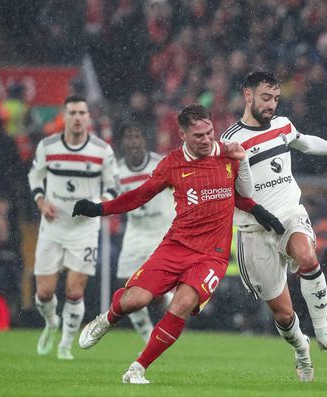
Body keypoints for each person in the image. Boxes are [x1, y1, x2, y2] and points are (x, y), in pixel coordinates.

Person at [72, 104, 280, 384]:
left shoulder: (228, 155)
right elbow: (139, 196)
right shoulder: (172, 164)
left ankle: (137, 367)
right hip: (176, 246)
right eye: (198, 136)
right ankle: (109, 318)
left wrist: (259, 211)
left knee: (181, 304)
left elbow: (237, 195)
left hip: (212, 256)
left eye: (209, 133)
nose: (206, 140)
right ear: (182, 135)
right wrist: (99, 209)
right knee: (137, 300)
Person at [221, 71, 327, 382]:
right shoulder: (231, 141)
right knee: (284, 315)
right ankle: (302, 351)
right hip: (254, 229)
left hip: (289, 213)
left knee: (308, 256)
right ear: (248, 96)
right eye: (265, 98)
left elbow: (305, 144)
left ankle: (324, 332)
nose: (271, 105)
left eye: (275, 99)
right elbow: (230, 193)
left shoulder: (283, 125)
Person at [28, 96, 119, 360]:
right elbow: (35, 175)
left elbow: (112, 186)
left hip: (84, 229)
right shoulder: (47, 146)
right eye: (73, 113)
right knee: (43, 293)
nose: (78, 117)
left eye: (82, 112)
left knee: (75, 291)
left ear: (88, 118)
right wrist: (41, 201)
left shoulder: (102, 150)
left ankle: (66, 344)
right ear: (65, 117)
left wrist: (99, 204)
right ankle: (50, 323)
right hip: (53, 226)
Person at [115, 122, 175, 342]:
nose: (133, 142)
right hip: (135, 231)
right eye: (129, 137)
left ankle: (168, 304)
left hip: (162, 230)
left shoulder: (160, 164)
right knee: (127, 284)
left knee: (154, 285)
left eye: (137, 136)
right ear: (122, 142)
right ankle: (147, 335)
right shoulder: (117, 172)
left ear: (144, 140)